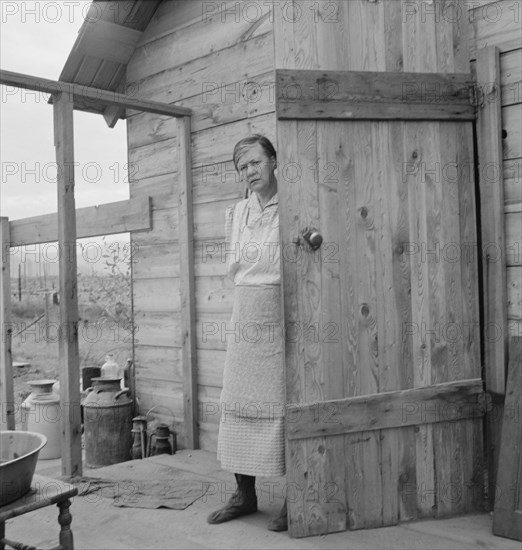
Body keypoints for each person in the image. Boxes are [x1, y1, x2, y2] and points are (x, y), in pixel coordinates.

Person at [207, 134, 288, 532]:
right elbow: (235, 266)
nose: (250, 171)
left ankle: (298, 496)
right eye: (243, 167)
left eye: (256, 162)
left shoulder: (293, 204)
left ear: (273, 161)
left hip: (281, 310)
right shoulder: (237, 212)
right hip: (245, 313)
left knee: (281, 403)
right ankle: (245, 494)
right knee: (238, 402)